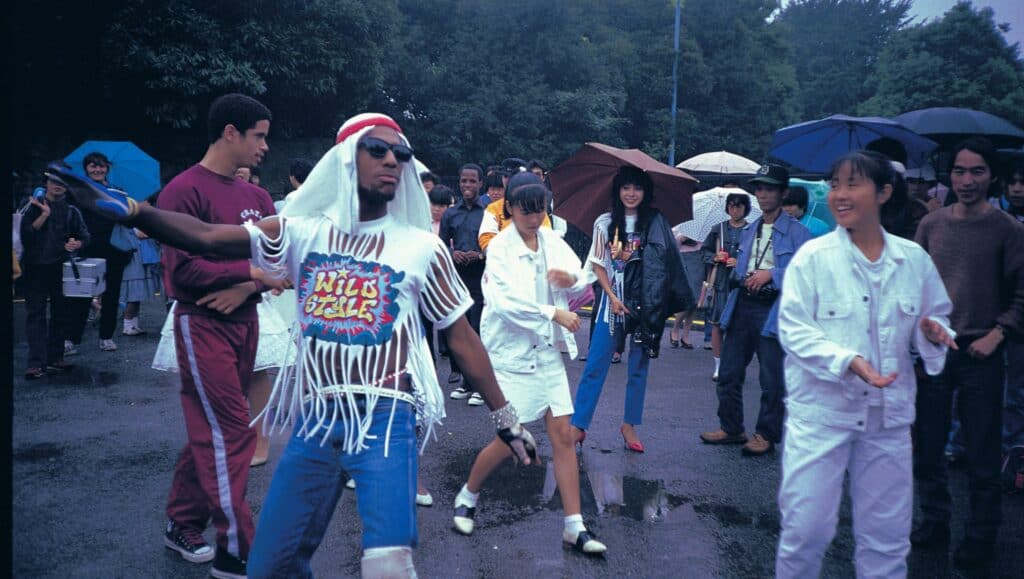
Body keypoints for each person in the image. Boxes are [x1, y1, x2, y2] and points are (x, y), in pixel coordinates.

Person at [50, 111, 540, 579]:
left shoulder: (421, 247)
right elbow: (207, 238)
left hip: (387, 415)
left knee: (388, 563)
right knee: (271, 566)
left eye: (402, 155)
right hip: (317, 416)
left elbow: (460, 335)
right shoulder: (303, 233)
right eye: (377, 149)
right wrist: (136, 211)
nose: (393, 160)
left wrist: (506, 419)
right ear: (346, 159)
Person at [775, 150, 956, 578]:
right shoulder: (814, 259)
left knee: (887, 541)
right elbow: (794, 330)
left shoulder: (912, 259)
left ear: (884, 192)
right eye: (835, 184)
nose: (839, 194)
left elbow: (937, 314)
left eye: (852, 184)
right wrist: (847, 360)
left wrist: (933, 332)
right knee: (805, 533)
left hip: (887, 420)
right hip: (822, 416)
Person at [453, 175, 607, 555]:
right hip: (512, 354)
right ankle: (467, 494)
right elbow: (504, 304)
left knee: (564, 436)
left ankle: (575, 525)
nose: (534, 217)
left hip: (547, 352)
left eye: (540, 209)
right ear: (510, 208)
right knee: (512, 440)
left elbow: (578, 278)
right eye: (526, 210)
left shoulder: (551, 238)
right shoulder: (501, 249)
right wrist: (551, 311)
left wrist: (569, 278)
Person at [912, 137, 1024, 569]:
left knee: (980, 452)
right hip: (936, 350)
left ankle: (981, 535)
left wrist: (999, 334)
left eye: (977, 171)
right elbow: (914, 284)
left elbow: (1021, 295)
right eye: (959, 170)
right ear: (949, 174)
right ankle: (935, 519)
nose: (967, 180)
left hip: (982, 354)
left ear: (991, 176)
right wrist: (921, 329)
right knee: (929, 446)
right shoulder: (932, 225)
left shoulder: (1008, 230)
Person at [570, 166, 692, 453]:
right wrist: (611, 296)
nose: (631, 193)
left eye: (637, 188)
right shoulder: (604, 222)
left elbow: (664, 263)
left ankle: (629, 425)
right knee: (596, 364)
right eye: (626, 187)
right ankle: (579, 424)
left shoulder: (656, 222)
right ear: (618, 190)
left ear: (645, 192)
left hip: (645, 305)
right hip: (613, 304)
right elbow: (598, 263)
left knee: (638, 367)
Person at [699, 164, 811, 456]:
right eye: (759, 188)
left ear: (783, 192)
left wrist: (771, 275)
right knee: (729, 370)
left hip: (774, 307)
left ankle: (766, 434)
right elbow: (743, 265)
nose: (762, 194)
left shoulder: (800, 234)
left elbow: (807, 274)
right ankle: (732, 428)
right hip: (742, 302)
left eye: (769, 188)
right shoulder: (750, 229)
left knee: (771, 377)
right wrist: (739, 272)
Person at [20, 168, 90, 379]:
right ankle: (35, 363)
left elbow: (85, 237)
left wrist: (76, 243)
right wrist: (44, 215)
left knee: (61, 314)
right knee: (36, 315)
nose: (58, 185)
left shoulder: (72, 211)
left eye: (62, 182)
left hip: (62, 267)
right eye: (53, 181)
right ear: (46, 183)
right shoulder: (32, 206)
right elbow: (25, 235)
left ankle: (55, 357)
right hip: (34, 267)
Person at [64, 151, 134, 353]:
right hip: (86, 248)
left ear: (107, 168)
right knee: (80, 296)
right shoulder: (77, 192)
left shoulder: (117, 192)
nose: (97, 169)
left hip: (114, 249)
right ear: (86, 168)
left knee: (112, 295)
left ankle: (106, 337)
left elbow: (128, 218)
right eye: (93, 165)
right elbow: (70, 220)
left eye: (101, 165)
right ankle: (71, 339)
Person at [439, 163, 487, 404]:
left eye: (472, 181)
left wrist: (480, 254)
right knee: (459, 329)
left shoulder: (488, 212)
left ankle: (480, 385)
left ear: (480, 183)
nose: (467, 185)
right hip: (457, 279)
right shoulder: (450, 213)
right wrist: (452, 253)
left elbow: (496, 243)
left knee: (478, 330)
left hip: (481, 278)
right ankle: (466, 382)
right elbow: (441, 244)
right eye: (464, 181)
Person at [700, 192, 750, 381]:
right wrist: (714, 257)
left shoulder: (752, 230)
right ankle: (718, 366)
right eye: (731, 206)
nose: (734, 209)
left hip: (741, 285)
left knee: (738, 327)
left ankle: (735, 365)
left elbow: (756, 257)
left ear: (745, 208)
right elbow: (703, 252)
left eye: (738, 206)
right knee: (717, 325)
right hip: (720, 282)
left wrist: (740, 262)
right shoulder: (717, 229)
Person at [478, 172, 552, 253]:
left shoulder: (539, 210)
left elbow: (547, 238)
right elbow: (486, 240)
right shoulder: (493, 208)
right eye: (506, 176)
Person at [668, 230, 705, 349]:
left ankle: (686, 335)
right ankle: (675, 330)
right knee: (687, 299)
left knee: (695, 302)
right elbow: (672, 244)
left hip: (699, 259)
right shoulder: (683, 225)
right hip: (684, 259)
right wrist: (683, 237)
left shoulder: (703, 227)